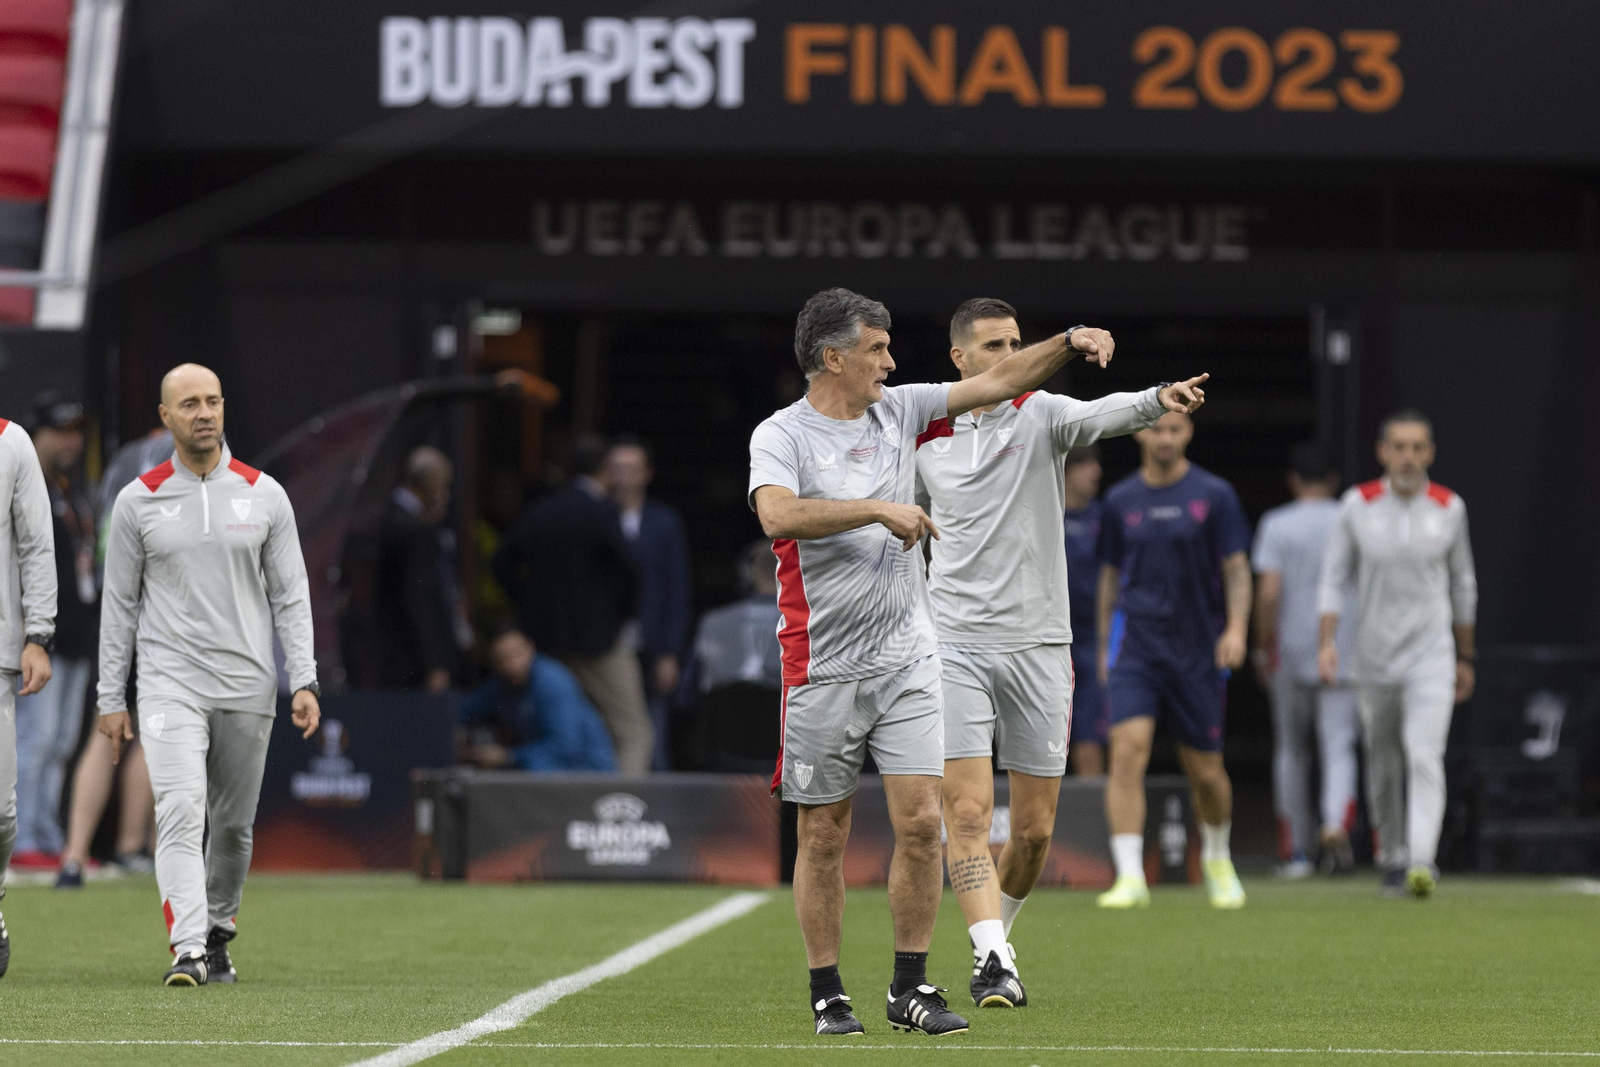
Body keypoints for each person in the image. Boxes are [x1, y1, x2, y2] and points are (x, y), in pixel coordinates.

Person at [749, 286, 1115, 1037]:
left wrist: (1070, 338)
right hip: (820, 663)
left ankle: (909, 986)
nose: (890, 361)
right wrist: (878, 507)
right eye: (877, 349)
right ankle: (827, 992)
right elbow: (778, 515)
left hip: (911, 657)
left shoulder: (903, 407)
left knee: (924, 824)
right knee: (824, 833)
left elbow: (1001, 381)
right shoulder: (782, 434)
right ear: (833, 356)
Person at [915, 297, 1206, 1009]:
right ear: (959, 358)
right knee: (970, 813)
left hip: (1041, 645)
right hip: (953, 642)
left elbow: (1105, 413)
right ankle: (991, 955)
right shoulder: (921, 434)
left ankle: (996, 944)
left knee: (1037, 830)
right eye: (992, 346)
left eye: (1015, 342)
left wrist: (1156, 399)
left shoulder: (1041, 413)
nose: (1007, 355)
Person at [98, 363, 321, 986]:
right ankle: (188, 948)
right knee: (179, 806)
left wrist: (303, 677)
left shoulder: (265, 494)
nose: (204, 413)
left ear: (224, 409)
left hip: (248, 684)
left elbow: (291, 594)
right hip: (169, 683)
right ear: (165, 417)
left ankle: (219, 924)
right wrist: (110, 696)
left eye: (213, 401)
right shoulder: (137, 499)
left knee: (231, 826)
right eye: (189, 403)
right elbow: (119, 607)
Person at [1095, 410, 1252, 910]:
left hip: (1197, 649)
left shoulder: (1215, 495)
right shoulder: (1120, 500)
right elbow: (1109, 578)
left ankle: (1219, 858)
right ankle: (1128, 876)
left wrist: (1237, 628)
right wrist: (1104, 645)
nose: (1165, 438)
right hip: (1137, 646)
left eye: (1175, 429)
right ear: (1140, 432)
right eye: (1156, 429)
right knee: (1127, 751)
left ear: (1188, 432)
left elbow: (1237, 569)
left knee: (1206, 771)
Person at [1317, 410, 1476, 899]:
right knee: (1383, 761)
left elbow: (1463, 583)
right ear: (1383, 452)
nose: (1408, 457)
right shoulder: (1356, 505)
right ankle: (1392, 856)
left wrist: (1465, 657)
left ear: (1429, 453)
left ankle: (1422, 861)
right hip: (1374, 657)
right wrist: (1327, 641)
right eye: (1399, 447)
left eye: (1417, 447)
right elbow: (1334, 577)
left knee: (1424, 753)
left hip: (1432, 655)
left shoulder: (1449, 507)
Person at [493, 437, 651, 773]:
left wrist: (529, 603)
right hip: (601, 644)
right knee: (634, 733)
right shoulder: (605, 512)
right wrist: (619, 615)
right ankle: (623, 814)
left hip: (547, 642)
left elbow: (502, 562)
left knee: (565, 730)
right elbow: (631, 572)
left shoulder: (542, 510)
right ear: (605, 471)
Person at [55, 431, 171, 887]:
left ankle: (76, 854)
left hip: (111, 604)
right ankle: (140, 848)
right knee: (157, 730)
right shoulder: (180, 454)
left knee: (107, 728)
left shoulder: (123, 458)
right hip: (157, 608)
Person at [1252, 441, 1359, 879]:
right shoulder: (1350, 520)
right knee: (1339, 747)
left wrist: (1262, 646)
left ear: (1293, 480)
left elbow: (1269, 592)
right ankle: (1335, 823)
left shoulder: (1277, 524)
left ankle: (1295, 850)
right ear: (1334, 479)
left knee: (1291, 752)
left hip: (1290, 649)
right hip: (1343, 646)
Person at [12, 392, 96, 869]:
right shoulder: (21, 484)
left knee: (62, 742)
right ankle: (21, 838)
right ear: (34, 434)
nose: (72, 441)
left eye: (77, 432)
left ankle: (46, 832)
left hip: (75, 634)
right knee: (36, 740)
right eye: (61, 431)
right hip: (38, 638)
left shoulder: (68, 489)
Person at [0, 409, 58, 979]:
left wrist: (38, 634)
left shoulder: (11, 441)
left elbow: (37, 545)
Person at [607, 436, 692, 769]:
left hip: (651, 640)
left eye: (631, 468)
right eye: (617, 468)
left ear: (646, 474)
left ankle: (658, 809)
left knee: (654, 730)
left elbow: (677, 587)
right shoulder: (599, 517)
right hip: (608, 643)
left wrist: (671, 651)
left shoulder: (664, 522)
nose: (623, 476)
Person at [376, 445, 470, 692]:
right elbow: (417, 598)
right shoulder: (413, 530)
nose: (445, 494)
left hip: (391, 649)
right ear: (431, 483)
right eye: (443, 485)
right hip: (410, 656)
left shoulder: (394, 515)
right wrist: (433, 664)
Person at [458, 627, 615, 771]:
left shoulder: (552, 681)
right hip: (539, 767)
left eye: (516, 654)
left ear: (530, 648)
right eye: (502, 658)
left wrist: (508, 756)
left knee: (534, 766)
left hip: (584, 769)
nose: (512, 665)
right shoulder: (500, 684)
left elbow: (566, 746)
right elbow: (463, 709)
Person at [1062, 446, 1109, 777]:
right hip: (1048, 641)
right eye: (1084, 464)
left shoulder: (1106, 518)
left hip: (1094, 644)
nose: (1094, 471)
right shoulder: (1040, 514)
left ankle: (1093, 827)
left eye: (1096, 463)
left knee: (1091, 740)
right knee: (1041, 744)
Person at [689, 540, 783, 694]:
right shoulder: (810, 625)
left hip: (726, 716)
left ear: (746, 574)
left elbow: (688, 693)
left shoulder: (713, 623)